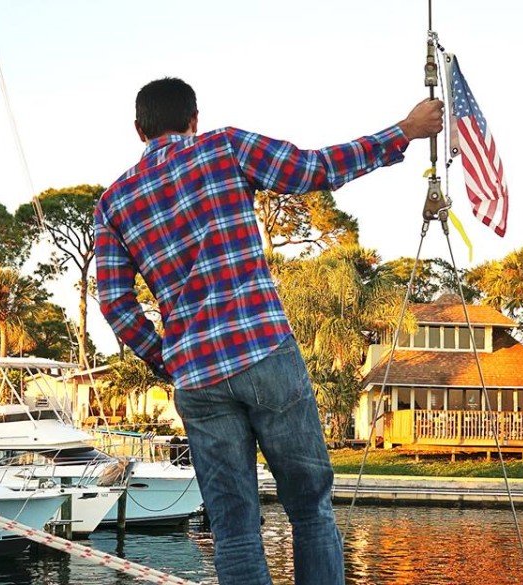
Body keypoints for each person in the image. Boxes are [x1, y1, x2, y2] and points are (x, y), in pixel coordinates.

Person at [95, 77, 444, 585]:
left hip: (197, 377)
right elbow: (315, 169)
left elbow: (116, 304)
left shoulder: (113, 203)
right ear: (195, 120)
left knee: (234, 527)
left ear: (138, 130)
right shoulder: (225, 147)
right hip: (264, 352)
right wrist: (405, 131)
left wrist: (169, 357)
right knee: (310, 509)